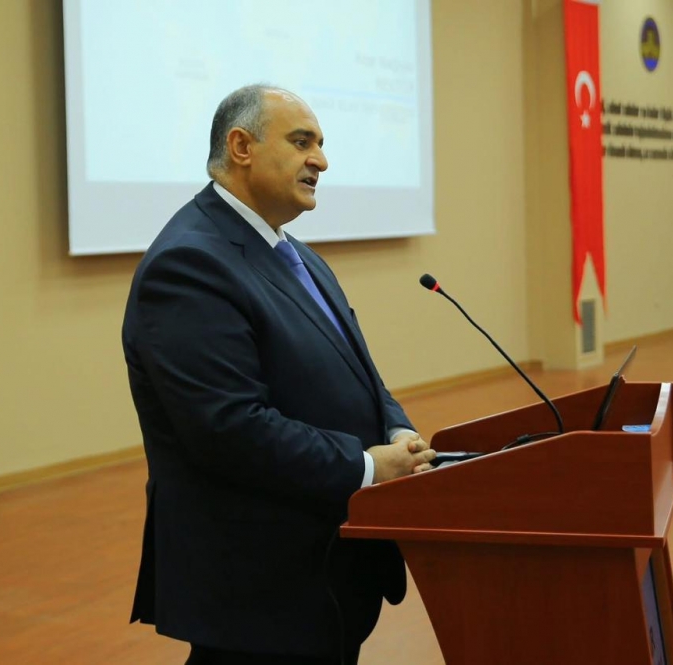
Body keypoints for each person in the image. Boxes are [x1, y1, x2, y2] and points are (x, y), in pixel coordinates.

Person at [122, 84, 437, 664]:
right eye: (301, 142)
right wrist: (367, 467)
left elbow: (358, 372)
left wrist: (396, 430)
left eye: (320, 143)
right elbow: (229, 429)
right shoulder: (189, 263)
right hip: (256, 592)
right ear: (241, 146)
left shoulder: (295, 254)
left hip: (321, 576)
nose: (322, 160)